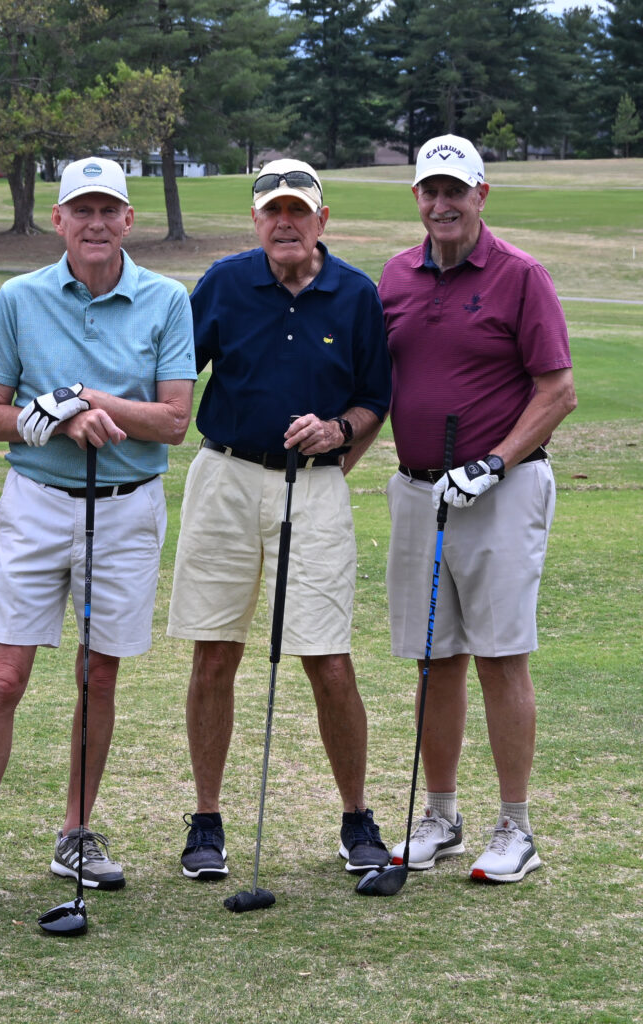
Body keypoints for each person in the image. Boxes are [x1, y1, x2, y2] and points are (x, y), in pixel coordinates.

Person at [0, 157, 195, 914]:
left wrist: (81, 398)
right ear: (59, 220)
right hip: (38, 503)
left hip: (127, 506)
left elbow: (174, 421)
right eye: (82, 210)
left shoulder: (167, 299)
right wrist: (51, 419)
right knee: (5, 677)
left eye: (109, 209)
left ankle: (76, 830)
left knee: (97, 674)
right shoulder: (20, 297)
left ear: (129, 219)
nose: (96, 223)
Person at [167, 159, 393, 883]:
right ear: (256, 220)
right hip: (226, 476)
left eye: (299, 210)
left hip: (316, 484)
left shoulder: (355, 294)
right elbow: (176, 375)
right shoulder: (225, 283)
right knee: (215, 653)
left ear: (322, 219)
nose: (286, 222)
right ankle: (206, 820)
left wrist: (339, 432)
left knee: (329, 658)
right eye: (273, 211)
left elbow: (375, 399)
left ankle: (356, 817)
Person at [378, 134, 576, 883]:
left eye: (455, 191)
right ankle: (442, 817)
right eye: (430, 191)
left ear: (480, 195)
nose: (442, 204)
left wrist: (494, 462)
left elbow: (558, 392)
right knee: (435, 661)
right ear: (417, 198)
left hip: (501, 490)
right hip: (417, 491)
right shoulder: (395, 276)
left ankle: (516, 828)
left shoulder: (521, 276)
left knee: (500, 656)